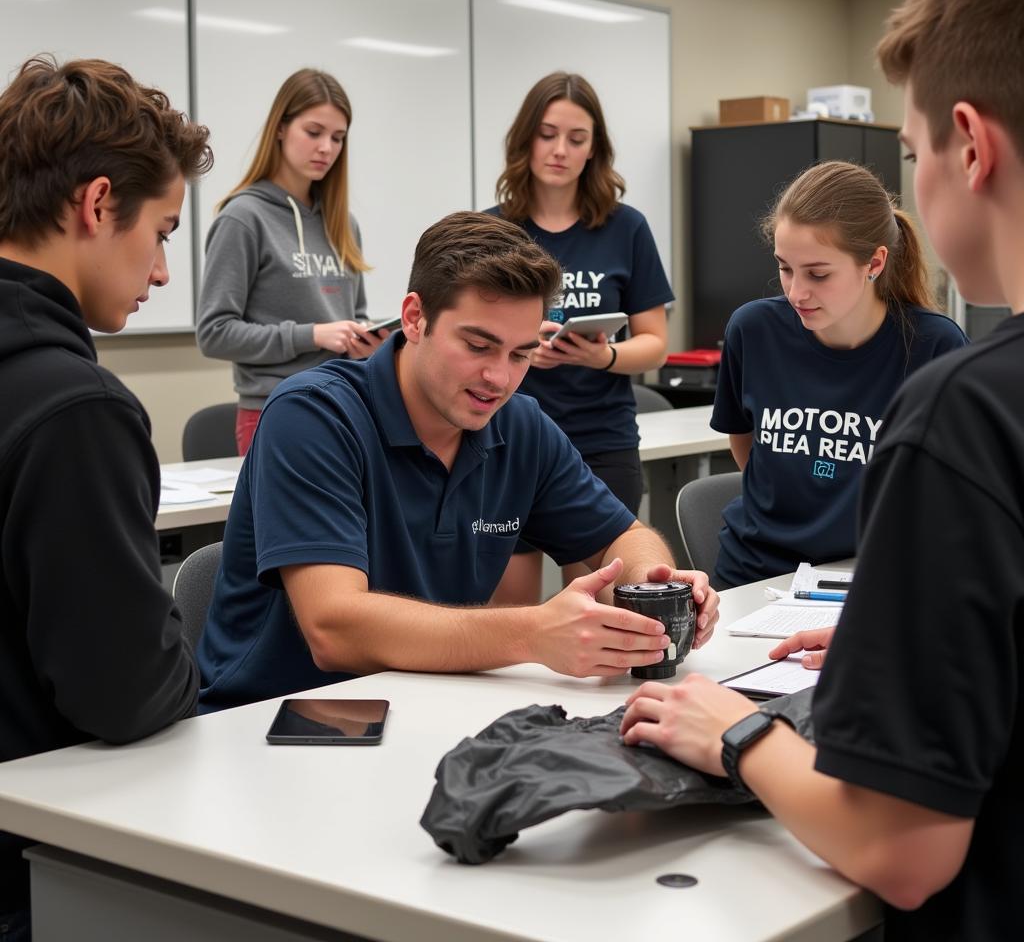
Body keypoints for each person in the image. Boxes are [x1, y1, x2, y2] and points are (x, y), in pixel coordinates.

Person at [621, 0, 1024, 939]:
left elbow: (900, 850)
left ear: (968, 147)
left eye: (912, 151)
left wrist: (739, 731)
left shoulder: (962, 407)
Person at [198, 210, 719, 712]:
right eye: (478, 345)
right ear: (415, 318)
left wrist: (657, 585)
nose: (499, 378)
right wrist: (535, 633)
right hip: (269, 722)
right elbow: (334, 628)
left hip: (425, 706)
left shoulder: (520, 425)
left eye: (520, 354)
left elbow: (621, 537)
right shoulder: (314, 416)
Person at [0, 56, 211, 938]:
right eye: (161, 232)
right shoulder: (75, 409)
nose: (162, 272)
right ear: (94, 206)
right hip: (37, 864)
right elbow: (122, 690)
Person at [710, 160, 967, 588]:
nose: (796, 292)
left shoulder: (933, 347)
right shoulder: (753, 330)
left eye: (818, 273)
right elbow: (747, 443)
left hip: (871, 579)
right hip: (753, 577)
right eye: (784, 267)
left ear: (874, 263)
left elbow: (953, 493)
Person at [487, 72, 673, 604]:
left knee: (602, 613)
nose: (560, 150)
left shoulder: (626, 228)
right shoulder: (494, 232)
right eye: (547, 134)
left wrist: (602, 355)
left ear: (595, 148)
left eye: (576, 138)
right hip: (505, 441)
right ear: (526, 138)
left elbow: (654, 343)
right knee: (508, 621)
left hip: (601, 442)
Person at [197, 68, 386, 456]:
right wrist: (312, 335)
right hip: (275, 409)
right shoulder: (243, 218)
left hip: (345, 404)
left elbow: (356, 313)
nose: (326, 149)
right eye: (313, 132)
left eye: (338, 138)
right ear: (280, 129)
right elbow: (215, 332)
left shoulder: (342, 222)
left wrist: (365, 339)